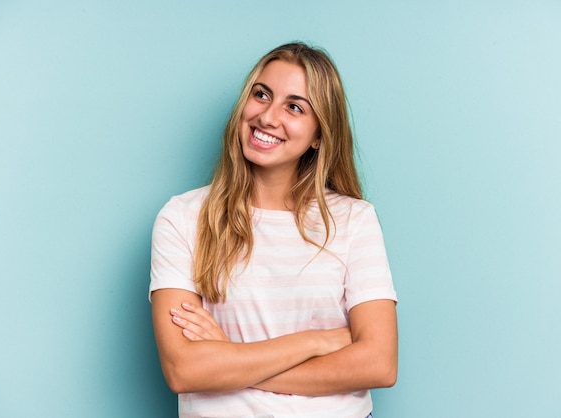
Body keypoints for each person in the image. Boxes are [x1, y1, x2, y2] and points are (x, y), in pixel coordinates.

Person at [149, 42, 398, 418]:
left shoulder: (354, 220)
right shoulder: (182, 218)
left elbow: (379, 364)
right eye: (261, 95)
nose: (267, 117)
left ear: (318, 135)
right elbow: (184, 370)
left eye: (295, 107)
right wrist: (318, 341)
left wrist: (231, 359)